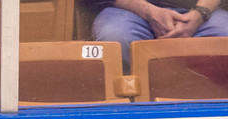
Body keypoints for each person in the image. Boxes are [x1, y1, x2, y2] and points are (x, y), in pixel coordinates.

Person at [88, 0, 228, 71]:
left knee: (224, 35)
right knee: (115, 36)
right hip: (130, 10)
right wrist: (149, 12)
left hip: (200, 12)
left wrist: (199, 15)